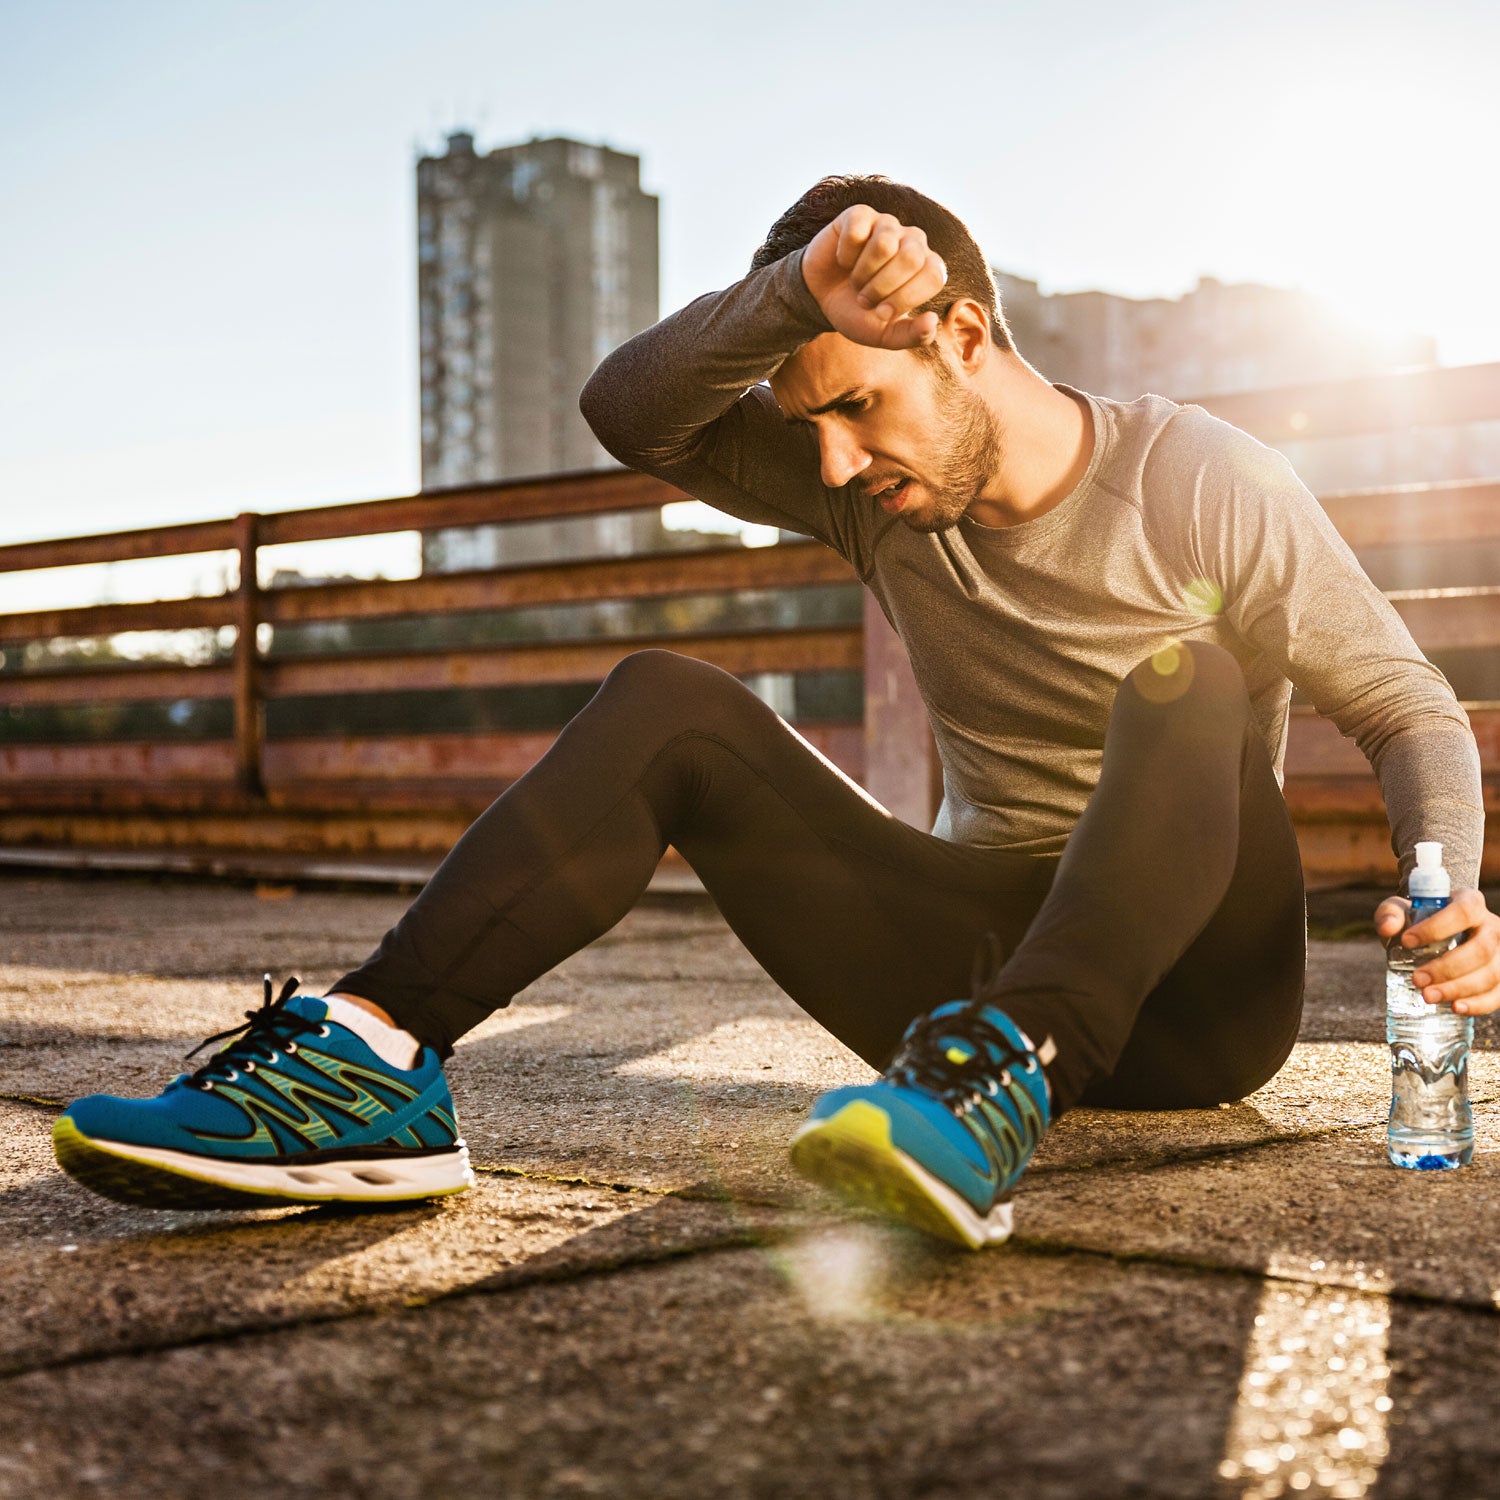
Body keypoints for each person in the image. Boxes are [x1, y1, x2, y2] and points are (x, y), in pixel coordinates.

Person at [53, 177, 1495, 1248]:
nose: (837, 456)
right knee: (669, 701)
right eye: (813, 421)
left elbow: (1403, 703)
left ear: (965, 333)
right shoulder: (871, 496)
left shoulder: (1202, 478)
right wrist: (800, 295)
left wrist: (1456, 893)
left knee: (1188, 675)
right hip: (964, 992)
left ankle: (1013, 1068)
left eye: (860, 404)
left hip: (1198, 994)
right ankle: (369, 1066)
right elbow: (632, 414)